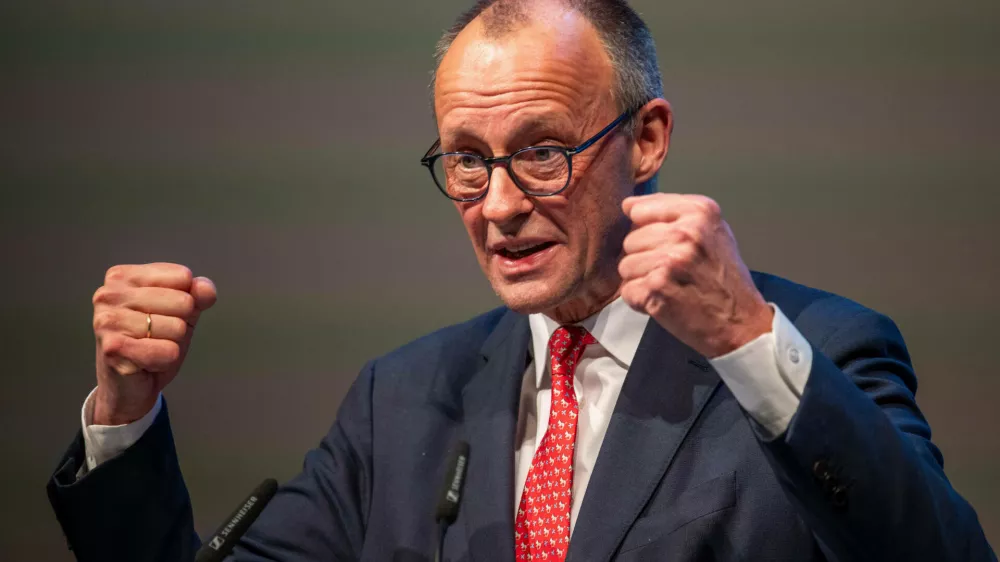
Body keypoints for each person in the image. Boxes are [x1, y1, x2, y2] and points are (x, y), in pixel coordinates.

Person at [47, 1, 996, 561]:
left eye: (542, 153)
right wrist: (124, 415)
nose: (497, 205)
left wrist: (749, 338)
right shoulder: (404, 399)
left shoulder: (817, 351)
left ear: (648, 138)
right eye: (465, 160)